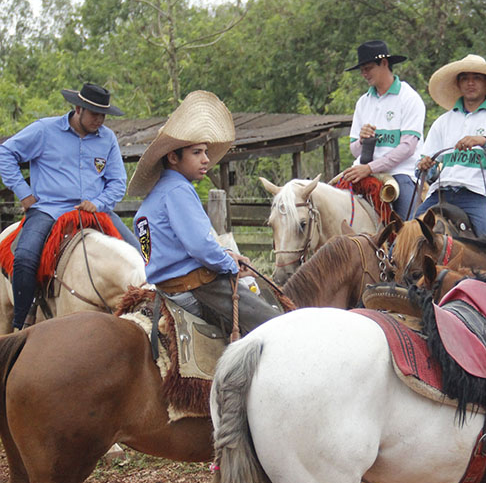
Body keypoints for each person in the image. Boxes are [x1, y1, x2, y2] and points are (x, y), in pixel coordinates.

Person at [128, 90, 279, 336]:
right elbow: (200, 246)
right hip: (195, 288)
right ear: (173, 157)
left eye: (206, 152)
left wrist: (225, 254)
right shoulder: (178, 189)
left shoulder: (153, 198)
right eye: (197, 153)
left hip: (164, 287)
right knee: (274, 326)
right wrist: (230, 264)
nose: (206, 159)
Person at [0, 82, 140, 330]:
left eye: (103, 115)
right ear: (78, 108)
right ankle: (22, 323)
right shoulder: (44, 130)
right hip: (49, 210)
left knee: (143, 256)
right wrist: (24, 193)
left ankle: (144, 322)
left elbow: (117, 182)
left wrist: (98, 203)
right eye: (94, 113)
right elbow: (5, 154)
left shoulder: (107, 138)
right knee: (25, 258)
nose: (100, 120)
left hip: (94, 213)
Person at [415, 55, 486, 242]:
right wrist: (425, 166)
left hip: (480, 195)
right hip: (441, 194)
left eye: (477, 77)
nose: (470, 83)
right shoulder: (442, 122)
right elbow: (431, 173)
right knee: (406, 238)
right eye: (465, 78)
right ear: (458, 83)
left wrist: (484, 143)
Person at [342, 40, 425, 218]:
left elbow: (407, 148)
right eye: (362, 70)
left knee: (407, 227)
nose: (364, 74)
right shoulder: (363, 101)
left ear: (385, 63)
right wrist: (362, 141)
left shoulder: (409, 98)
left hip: (401, 173)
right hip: (362, 170)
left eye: (368, 68)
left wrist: (370, 168)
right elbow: (354, 150)